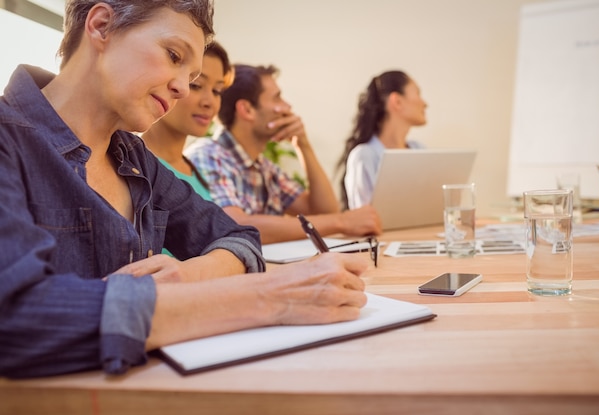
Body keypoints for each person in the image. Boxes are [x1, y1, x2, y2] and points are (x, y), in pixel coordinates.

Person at [0, 0, 368, 379]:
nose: (180, 89)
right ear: (101, 25)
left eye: (190, 77)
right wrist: (269, 296)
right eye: (173, 55)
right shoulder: (7, 140)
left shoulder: (133, 157)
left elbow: (236, 234)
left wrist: (191, 276)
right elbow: (15, 318)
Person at [184, 64, 382, 244]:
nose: (287, 107)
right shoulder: (207, 156)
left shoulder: (264, 167)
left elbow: (324, 212)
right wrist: (343, 222)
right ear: (247, 110)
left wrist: (303, 145)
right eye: (277, 98)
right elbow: (236, 224)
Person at [142, 41, 233, 202]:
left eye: (216, 91)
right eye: (196, 85)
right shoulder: (137, 167)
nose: (209, 102)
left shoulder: (199, 170)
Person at [336, 70, 428, 210]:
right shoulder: (364, 156)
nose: (425, 103)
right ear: (397, 101)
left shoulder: (419, 150)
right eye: (418, 93)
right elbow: (363, 222)